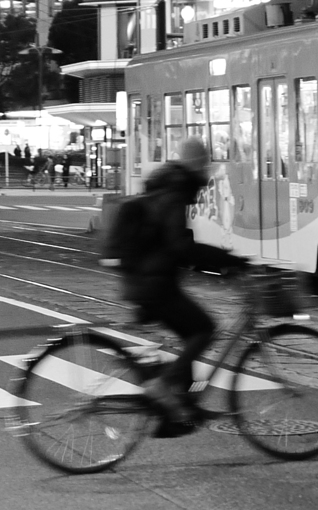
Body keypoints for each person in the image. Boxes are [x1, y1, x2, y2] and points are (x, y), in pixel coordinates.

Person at [119, 137, 227, 436]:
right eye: (205, 165)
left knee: (191, 333)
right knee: (205, 329)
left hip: (147, 280)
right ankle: (163, 387)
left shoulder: (167, 183)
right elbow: (179, 246)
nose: (207, 175)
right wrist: (225, 259)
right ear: (197, 165)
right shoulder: (176, 190)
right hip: (153, 284)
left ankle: (181, 410)